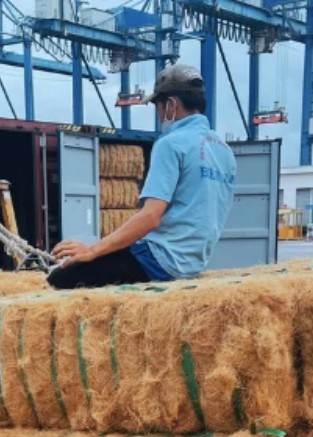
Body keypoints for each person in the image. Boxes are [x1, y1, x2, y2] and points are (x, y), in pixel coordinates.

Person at [48, 63, 236, 289]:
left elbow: (150, 217)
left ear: (171, 105)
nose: (158, 116)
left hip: (160, 260)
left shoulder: (170, 144)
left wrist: (92, 250)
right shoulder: (225, 151)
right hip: (193, 263)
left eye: (157, 108)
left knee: (60, 278)